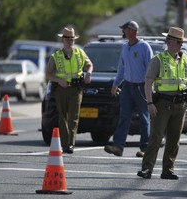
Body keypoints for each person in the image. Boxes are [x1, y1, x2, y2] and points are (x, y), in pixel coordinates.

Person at [137, 27, 187, 179]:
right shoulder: (158, 60)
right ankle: (147, 169)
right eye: (178, 42)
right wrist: (150, 103)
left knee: (174, 139)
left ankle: (168, 169)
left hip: (181, 105)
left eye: (181, 42)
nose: (180, 45)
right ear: (169, 42)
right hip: (162, 104)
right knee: (156, 137)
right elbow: (148, 82)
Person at [104, 21, 153, 157]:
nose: (123, 32)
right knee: (124, 116)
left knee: (144, 118)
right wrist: (116, 84)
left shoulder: (144, 47)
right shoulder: (125, 47)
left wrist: (150, 86)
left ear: (132, 30)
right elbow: (121, 67)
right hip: (127, 86)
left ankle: (145, 148)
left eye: (125, 29)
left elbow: (150, 68)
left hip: (141, 87)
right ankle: (118, 146)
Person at [46, 26, 93, 154]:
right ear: (63, 40)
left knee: (74, 117)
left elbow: (89, 64)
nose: (69, 41)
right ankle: (65, 143)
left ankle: (71, 144)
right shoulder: (56, 56)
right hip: (61, 89)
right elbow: (48, 74)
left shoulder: (80, 53)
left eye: (71, 39)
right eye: (67, 39)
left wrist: (88, 73)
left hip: (76, 89)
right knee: (62, 117)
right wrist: (58, 80)